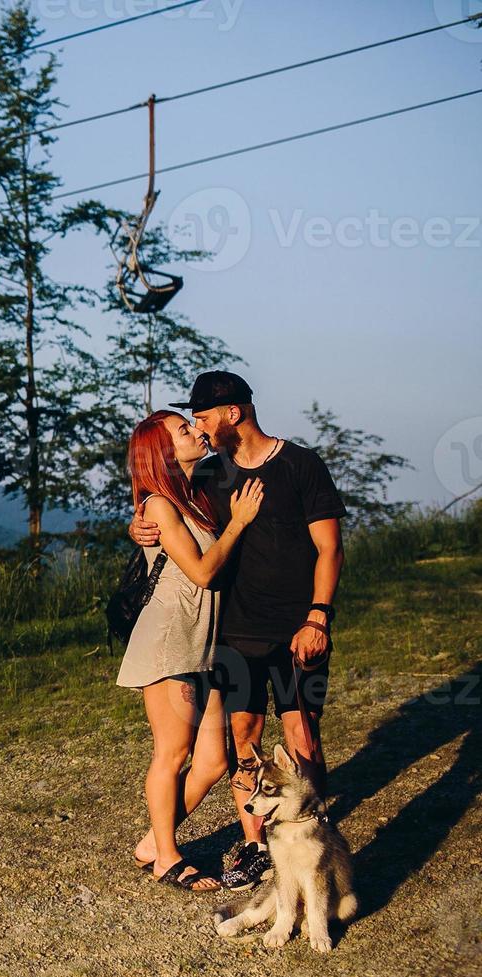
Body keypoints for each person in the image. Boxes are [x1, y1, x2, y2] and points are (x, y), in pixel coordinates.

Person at [130, 371, 346, 891]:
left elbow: (330, 549)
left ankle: (310, 834)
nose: (199, 428)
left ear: (234, 412)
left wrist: (318, 617)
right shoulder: (207, 475)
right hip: (233, 634)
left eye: (201, 417)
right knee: (243, 743)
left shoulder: (300, 465)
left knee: (304, 739)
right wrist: (135, 526)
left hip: (299, 630)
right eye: (191, 422)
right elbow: (163, 509)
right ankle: (255, 847)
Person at [121, 410, 264, 892]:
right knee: (173, 752)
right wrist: (239, 523)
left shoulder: (192, 493)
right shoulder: (160, 504)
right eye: (185, 430)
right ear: (164, 450)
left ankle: (151, 842)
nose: (196, 431)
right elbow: (203, 572)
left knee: (213, 762)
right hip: (167, 644)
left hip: (201, 645)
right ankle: (166, 857)